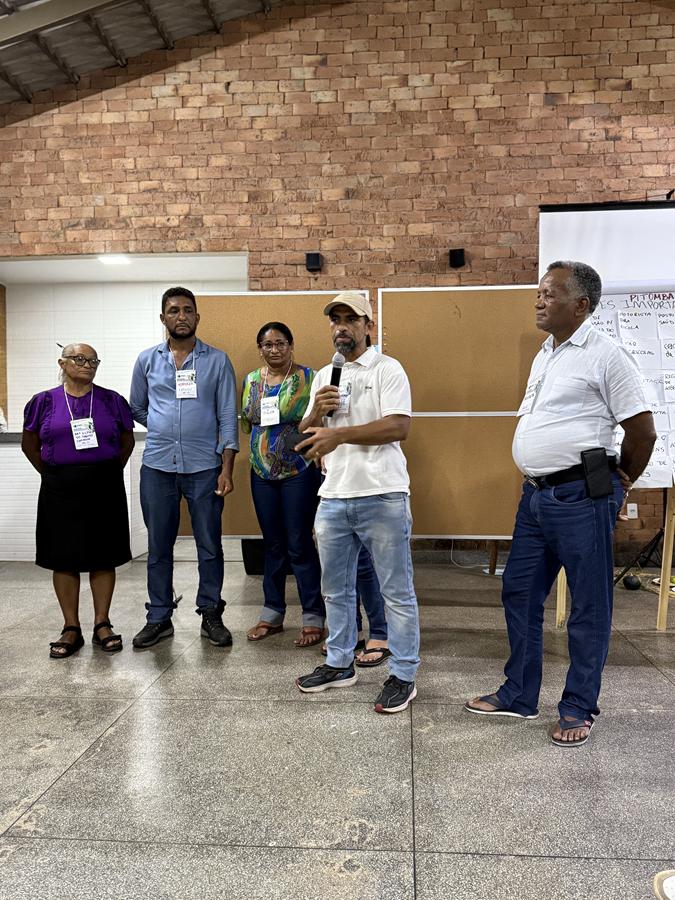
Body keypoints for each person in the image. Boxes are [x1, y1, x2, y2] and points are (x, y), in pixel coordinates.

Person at [465, 261, 656, 746]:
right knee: (520, 592)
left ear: (581, 305)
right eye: (539, 292)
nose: (539, 301)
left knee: (588, 605)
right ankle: (519, 694)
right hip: (535, 497)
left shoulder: (607, 355)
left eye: (550, 294)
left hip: (580, 497)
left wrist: (621, 483)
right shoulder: (546, 354)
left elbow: (642, 431)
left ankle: (577, 708)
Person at [295, 291, 420, 714]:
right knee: (335, 589)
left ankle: (403, 673)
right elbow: (308, 435)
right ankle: (339, 663)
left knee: (395, 591)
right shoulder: (324, 374)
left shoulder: (387, 369)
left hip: (382, 493)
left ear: (369, 325)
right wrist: (315, 414)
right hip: (333, 495)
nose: (342, 327)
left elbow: (398, 426)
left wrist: (340, 434)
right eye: (336, 320)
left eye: (351, 319)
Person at [129, 286, 238, 649]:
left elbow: (227, 417)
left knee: (210, 545)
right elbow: (137, 406)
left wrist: (226, 468)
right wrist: (163, 427)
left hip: (205, 467)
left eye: (188, 310)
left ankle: (211, 613)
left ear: (197, 317)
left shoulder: (217, 361)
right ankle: (159, 616)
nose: (181, 316)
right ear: (163, 318)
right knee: (159, 546)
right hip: (157, 466)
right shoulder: (147, 360)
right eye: (174, 310)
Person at [22, 343, 134, 657]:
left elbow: (126, 440)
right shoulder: (43, 401)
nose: (87, 365)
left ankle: (102, 623)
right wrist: (52, 472)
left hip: (105, 485)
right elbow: (29, 443)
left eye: (93, 361)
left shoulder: (112, 400)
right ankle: (71, 627)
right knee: (63, 557)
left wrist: (108, 469)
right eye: (80, 359)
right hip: (59, 487)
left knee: (103, 555)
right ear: (62, 363)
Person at [241, 321, 326, 647]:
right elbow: (248, 423)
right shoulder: (251, 380)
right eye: (267, 344)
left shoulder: (309, 377)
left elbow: (320, 421)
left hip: (298, 471)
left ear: (291, 345)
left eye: (280, 343)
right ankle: (272, 613)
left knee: (299, 542)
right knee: (272, 544)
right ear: (260, 349)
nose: (274, 349)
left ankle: (313, 616)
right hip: (261, 472)